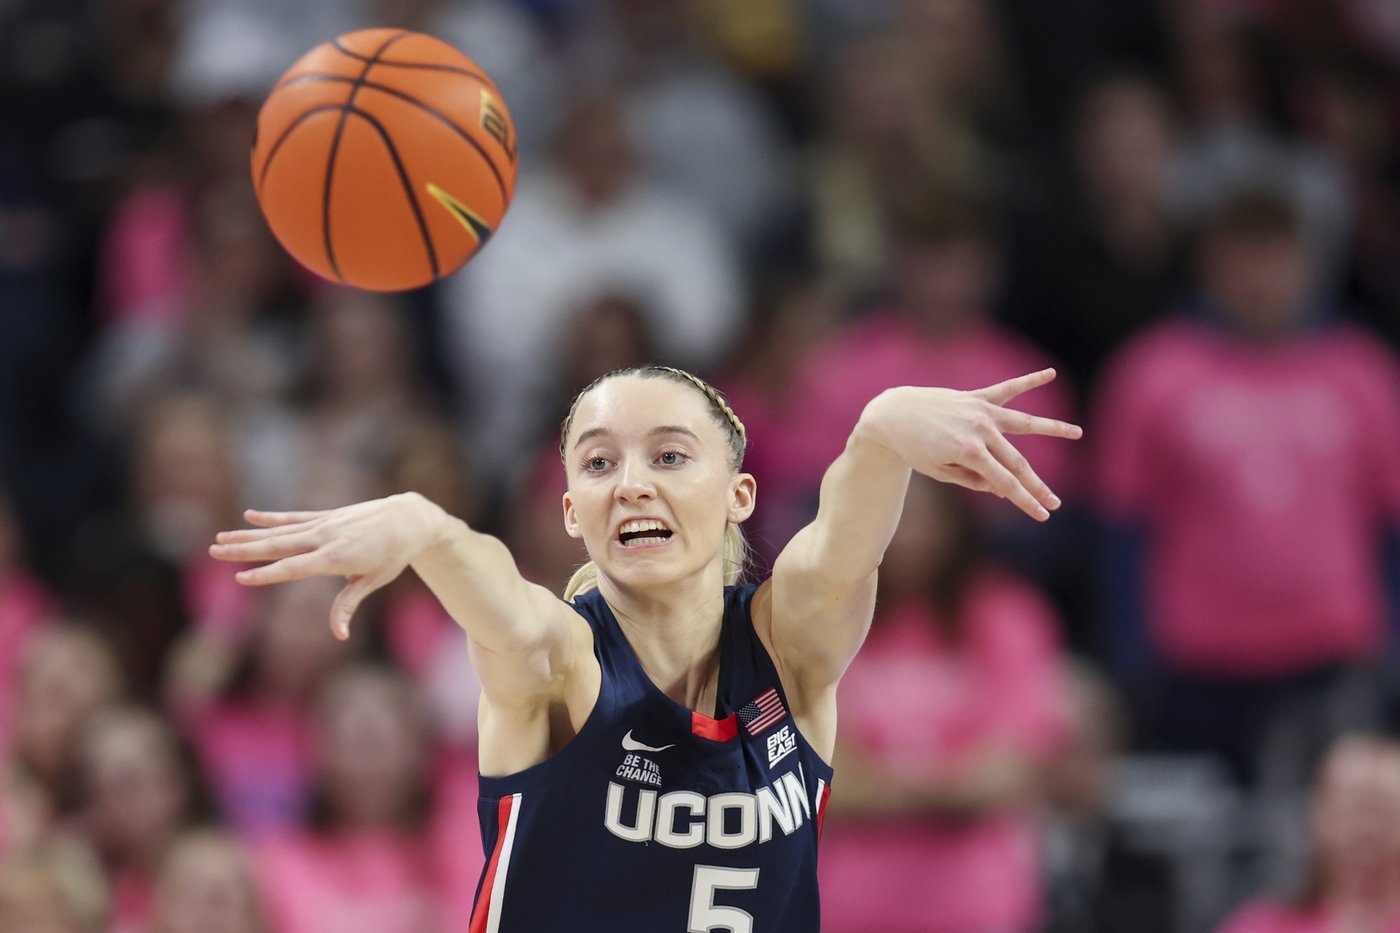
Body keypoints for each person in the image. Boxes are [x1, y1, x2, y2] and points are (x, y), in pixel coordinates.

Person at [209, 363, 1080, 929]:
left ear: (740, 495)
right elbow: (507, 607)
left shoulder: (788, 652)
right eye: (598, 464)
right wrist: (427, 531)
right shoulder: (563, 662)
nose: (631, 484)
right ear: (570, 513)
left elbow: (839, 548)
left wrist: (882, 433)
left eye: (669, 456)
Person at [1217, 734, 1400, 933]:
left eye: (1384, 811)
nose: (1367, 828)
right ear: (1316, 815)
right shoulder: (1259, 926)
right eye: (1352, 809)